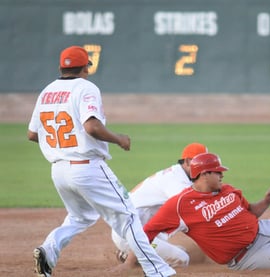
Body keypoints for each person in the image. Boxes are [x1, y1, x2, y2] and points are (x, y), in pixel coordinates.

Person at [27, 45, 175, 277]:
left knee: (79, 216)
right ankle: (158, 271)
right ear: (87, 67)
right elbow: (91, 126)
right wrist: (119, 139)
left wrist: (60, 146)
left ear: (60, 67)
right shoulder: (86, 87)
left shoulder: (47, 91)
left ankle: (49, 249)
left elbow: (33, 134)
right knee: (128, 218)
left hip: (58, 170)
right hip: (87, 167)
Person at [143, 152, 270, 272]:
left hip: (263, 229)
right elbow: (145, 232)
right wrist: (135, 262)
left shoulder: (226, 189)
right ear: (204, 174)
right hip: (248, 255)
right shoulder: (179, 205)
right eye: (219, 172)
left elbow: (251, 212)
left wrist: (267, 201)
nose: (222, 176)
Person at [111, 142, 208, 268]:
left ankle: (134, 253)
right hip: (129, 234)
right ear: (189, 161)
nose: (205, 169)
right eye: (202, 163)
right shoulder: (176, 180)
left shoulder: (178, 174)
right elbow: (191, 210)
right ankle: (130, 256)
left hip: (136, 230)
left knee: (181, 250)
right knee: (182, 260)